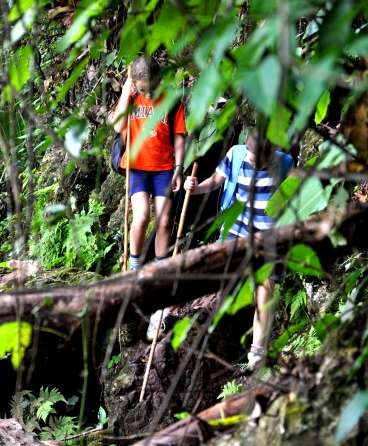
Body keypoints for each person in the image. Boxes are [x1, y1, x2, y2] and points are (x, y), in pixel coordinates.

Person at [184, 128, 293, 368]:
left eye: (257, 161)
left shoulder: (284, 164)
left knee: (264, 290)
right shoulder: (237, 154)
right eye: (250, 157)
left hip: (267, 235)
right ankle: (172, 312)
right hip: (235, 230)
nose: (251, 161)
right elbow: (215, 181)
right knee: (209, 273)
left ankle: (257, 352)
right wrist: (196, 187)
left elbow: (294, 196)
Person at [108, 56, 187, 338]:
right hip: (137, 167)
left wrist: (179, 167)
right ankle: (135, 265)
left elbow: (179, 136)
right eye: (143, 88)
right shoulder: (131, 96)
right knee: (141, 216)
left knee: (165, 221)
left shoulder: (172, 100)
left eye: (151, 86)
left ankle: (162, 265)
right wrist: (126, 92)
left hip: (165, 168)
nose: (148, 93)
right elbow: (118, 127)